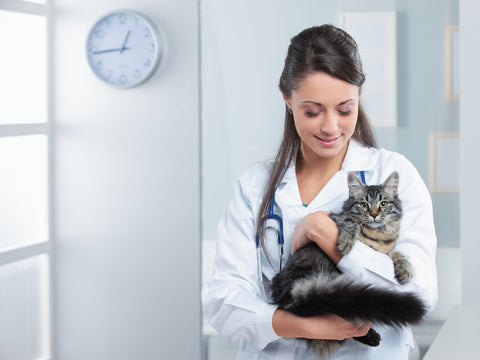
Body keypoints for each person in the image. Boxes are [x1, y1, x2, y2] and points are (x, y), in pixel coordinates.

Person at [202, 24, 437, 360]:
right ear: (287, 99)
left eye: (345, 110)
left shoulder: (391, 175)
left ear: (359, 96)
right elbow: (223, 303)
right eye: (312, 111)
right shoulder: (255, 186)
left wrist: (328, 236)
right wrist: (305, 325)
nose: (330, 127)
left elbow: (418, 295)